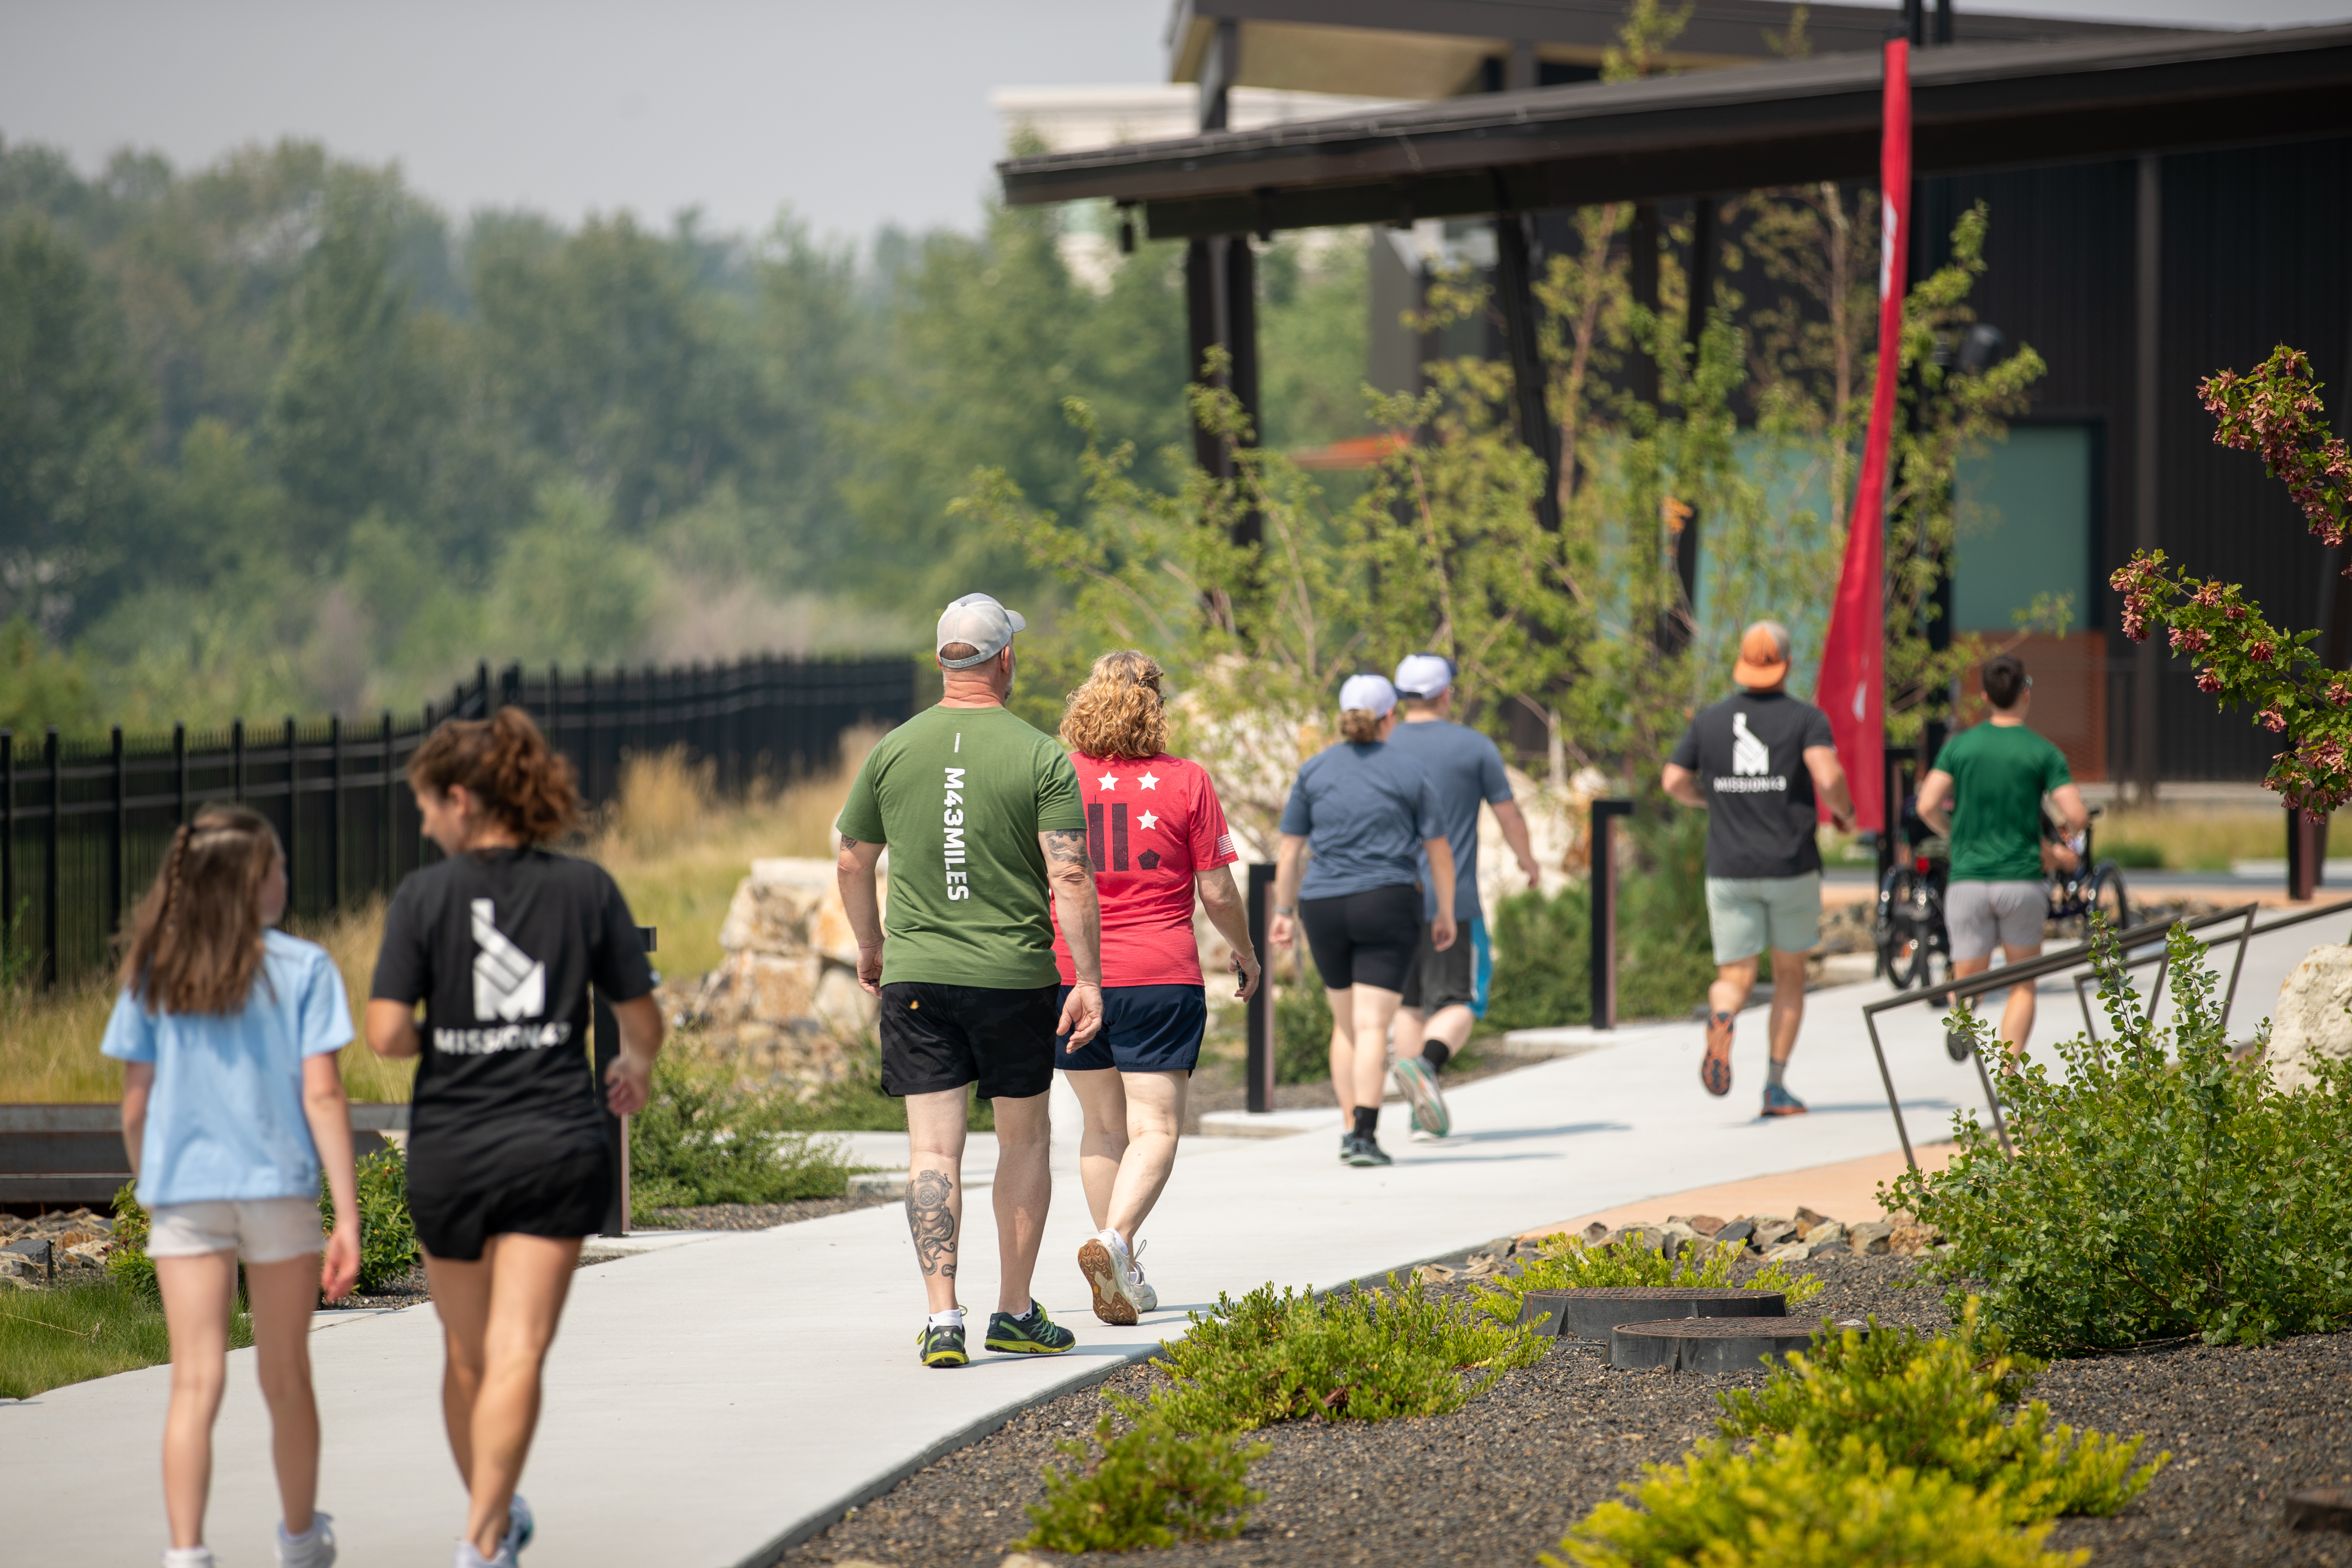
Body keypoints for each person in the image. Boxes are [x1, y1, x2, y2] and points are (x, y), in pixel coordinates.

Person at [365, 708, 663, 1568]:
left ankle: (489, 1526)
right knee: (519, 1352)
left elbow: (386, 1033)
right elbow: (642, 1017)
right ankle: (481, 1539)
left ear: (461, 799)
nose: (425, 825)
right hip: (554, 1145)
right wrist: (634, 1066)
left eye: (427, 806)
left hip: (451, 1151)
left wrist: (448, 1035)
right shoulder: (586, 888)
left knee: (467, 1357)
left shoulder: (423, 897)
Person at [835, 592, 1104, 1367]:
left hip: (917, 975)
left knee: (933, 1148)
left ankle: (942, 1318)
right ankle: (1014, 1311)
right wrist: (1087, 978)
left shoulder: (893, 749)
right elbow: (1070, 874)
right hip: (1013, 977)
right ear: (1005, 659)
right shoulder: (1039, 755)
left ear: (941, 661)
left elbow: (852, 859)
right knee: (1023, 1138)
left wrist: (871, 945)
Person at [104, 804, 360, 1568]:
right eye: (276, 864)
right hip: (279, 1190)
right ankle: (300, 1541)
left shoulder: (155, 970)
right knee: (286, 1374)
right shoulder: (305, 968)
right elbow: (323, 1095)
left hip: (186, 1193)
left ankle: (187, 1552)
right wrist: (347, 1213)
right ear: (251, 881)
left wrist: (152, 1184)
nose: (286, 875)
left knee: (195, 1381)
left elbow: (135, 1105)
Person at [1047, 650, 1262, 1325]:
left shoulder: (1056, 776)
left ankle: (1124, 1267)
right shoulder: (1187, 780)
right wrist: (1246, 952)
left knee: (1101, 1127)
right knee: (1157, 1127)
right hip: (1159, 976)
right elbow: (1218, 891)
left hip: (1070, 976)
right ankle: (1115, 1244)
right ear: (1156, 706)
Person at [1662, 621, 1855, 1116]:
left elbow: (1673, 781)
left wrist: (1709, 799)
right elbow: (1828, 775)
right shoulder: (1806, 719)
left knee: (1734, 975)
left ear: (1742, 663)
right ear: (1788, 665)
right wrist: (1844, 812)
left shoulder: (1709, 720)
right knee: (1789, 974)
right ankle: (1775, 1086)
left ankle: (1723, 1016)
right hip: (1791, 867)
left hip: (1729, 869)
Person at [1268, 673, 1457, 1168]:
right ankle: (1365, 1137)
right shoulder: (1409, 771)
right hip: (1387, 902)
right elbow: (1438, 852)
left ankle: (1349, 1127)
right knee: (1374, 1024)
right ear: (1390, 717)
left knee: (1346, 1024)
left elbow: (1290, 852)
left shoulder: (1314, 770)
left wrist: (1284, 912)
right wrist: (1445, 910)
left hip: (1323, 905)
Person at [1386, 653, 1544, 1142]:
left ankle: (1418, 1114)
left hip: (1392, 899)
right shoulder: (1475, 747)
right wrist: (1528, 860)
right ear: (1446, 694)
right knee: (1462, 1002)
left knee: (1409, 1006)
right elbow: (1508, 814)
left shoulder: (1381, 745)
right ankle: (1427, 1067)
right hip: (1453, 902)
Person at [1915, 653, 2088, 1055]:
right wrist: (2066, 839)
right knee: (2022, 984)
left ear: (1985, 697)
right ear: (2025, 693)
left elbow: (1926, 805)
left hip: (1968, 880)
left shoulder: (1960, 748)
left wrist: (1953, 831)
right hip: (2021, 880)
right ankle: (2009, 1074)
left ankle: (1963, 1016)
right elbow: (2077, 814)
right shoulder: (2042, 751)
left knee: (1968, 978)